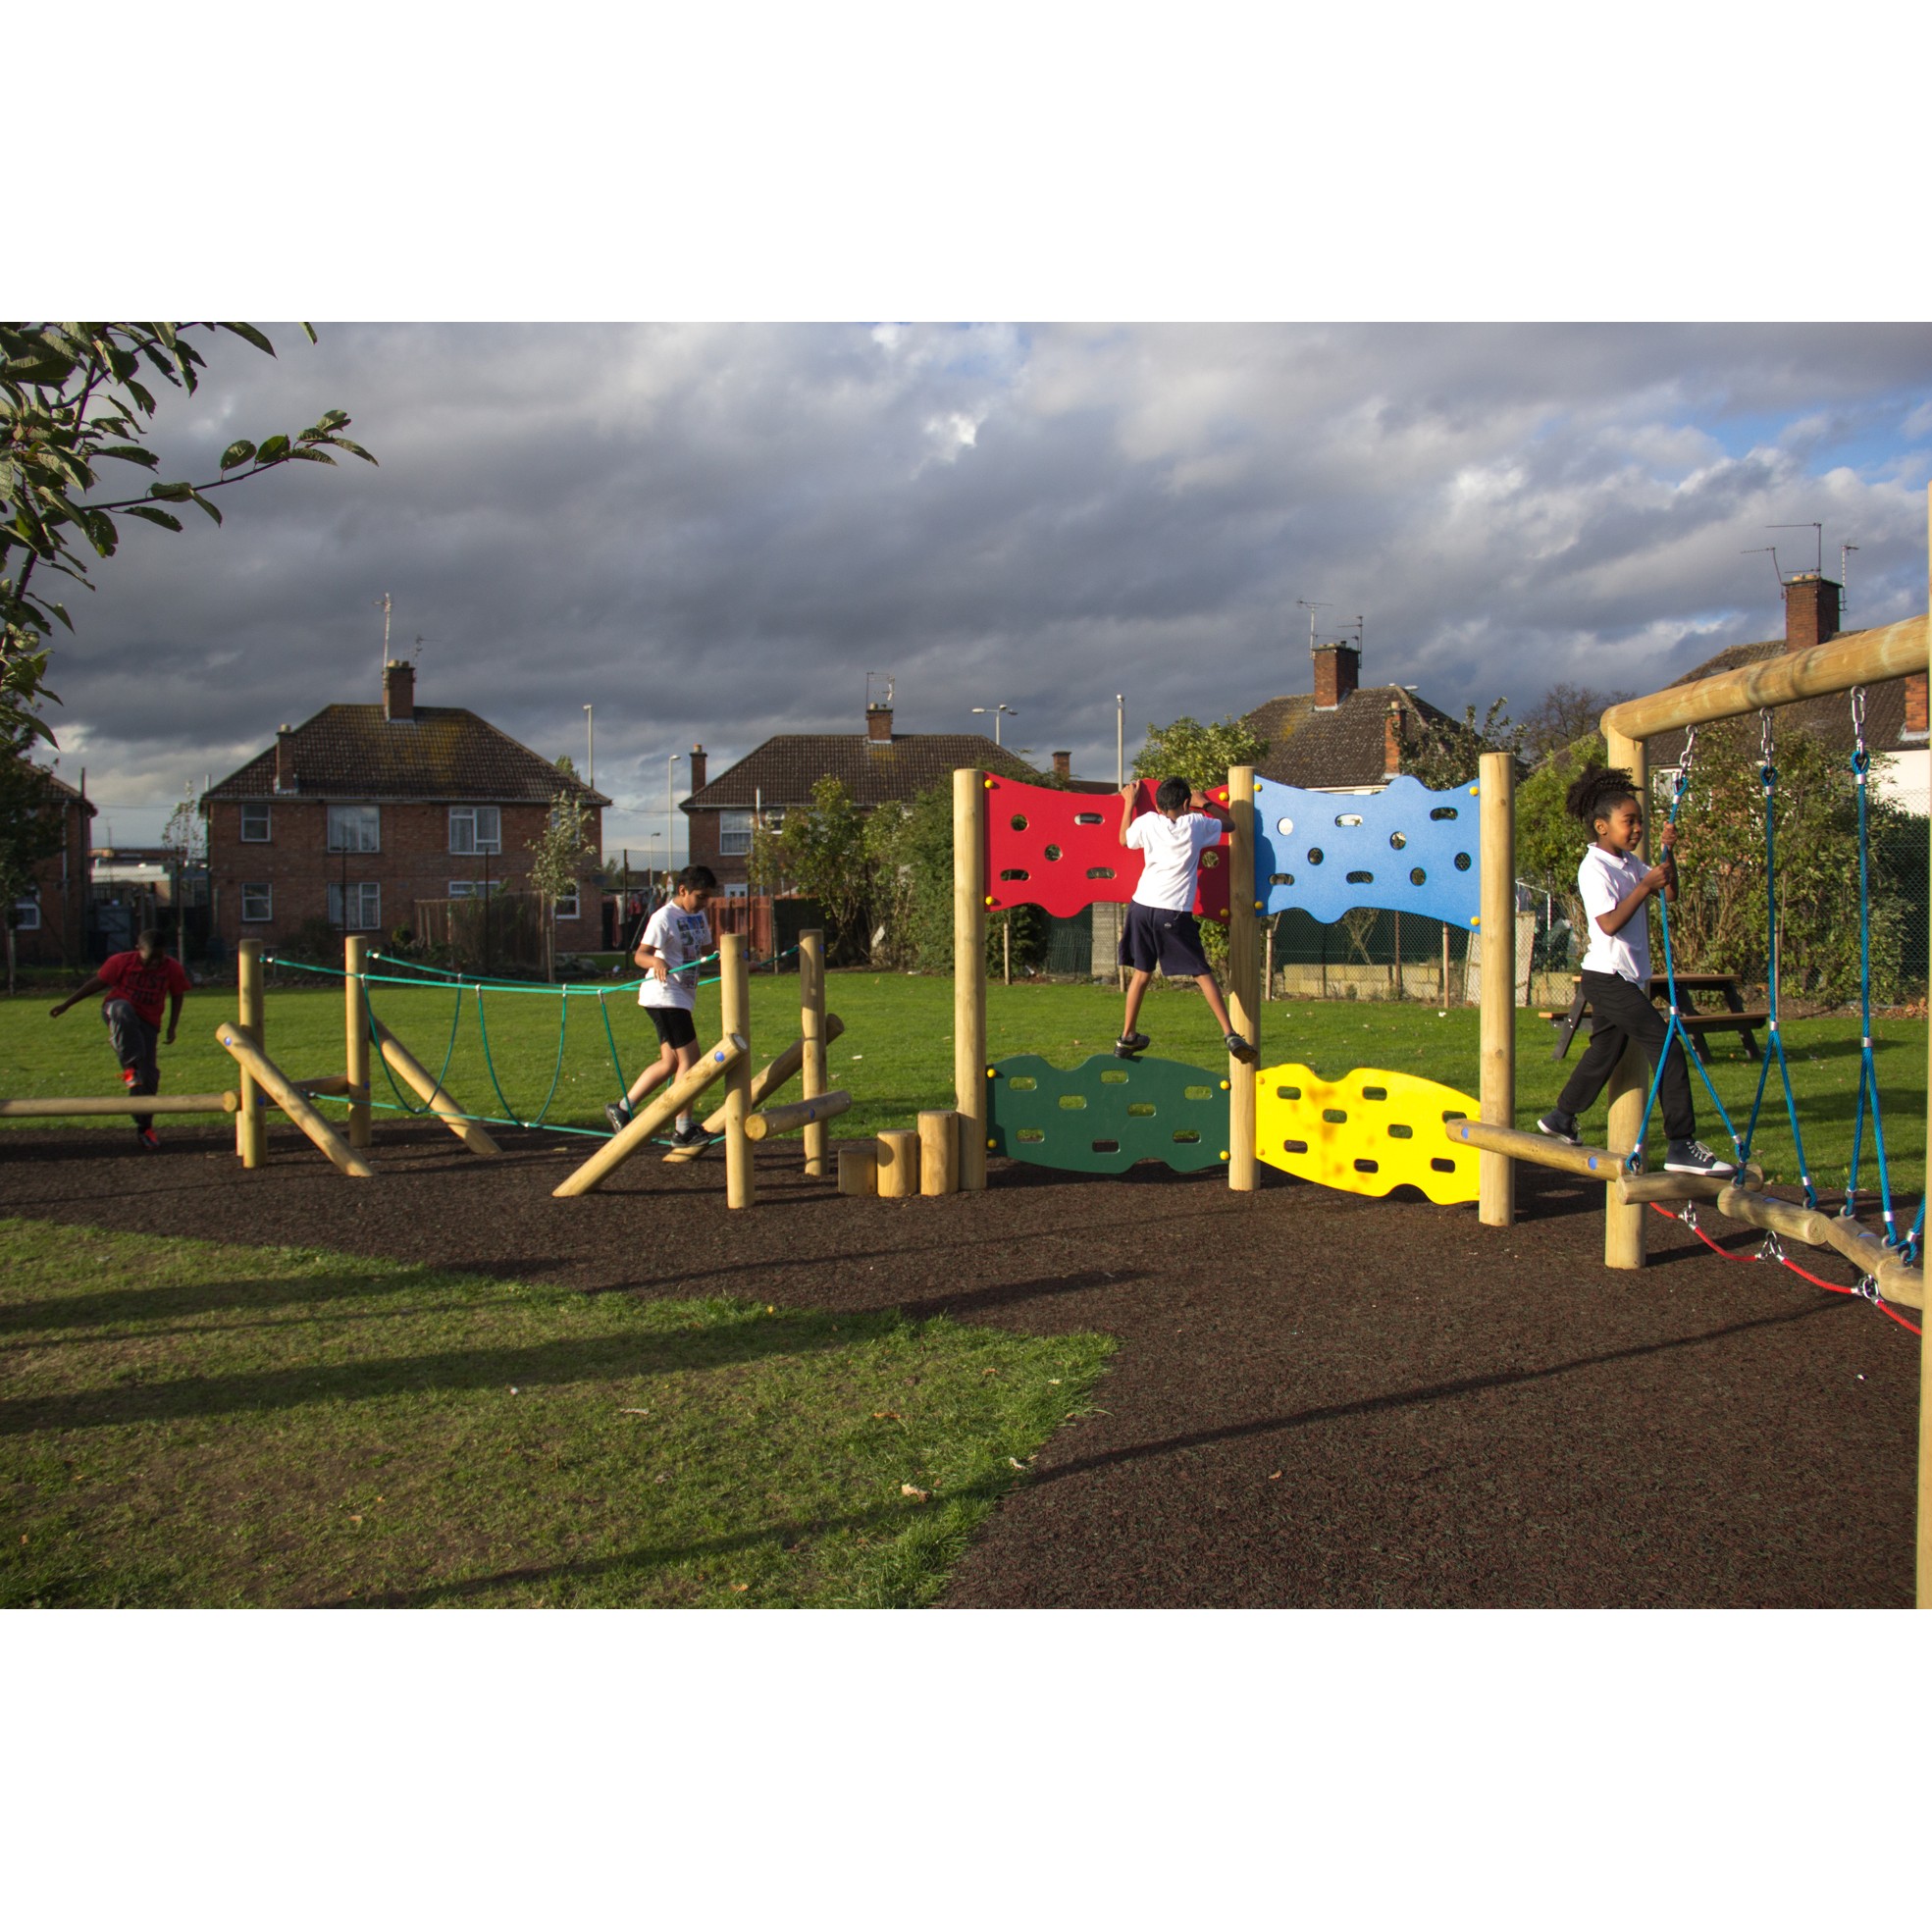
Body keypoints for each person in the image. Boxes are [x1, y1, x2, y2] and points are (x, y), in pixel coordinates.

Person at [1537, 764, 1734, 1176]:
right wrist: (1646, 887)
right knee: (1667, 1047)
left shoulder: (1628, 863)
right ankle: (1680, 1144)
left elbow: (1671, 893)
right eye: (1630, 822)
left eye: (1640, 822)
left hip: (1625, 977)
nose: (1638, 828)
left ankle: (1560, 1117)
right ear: (1602, 826)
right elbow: (1608, 923)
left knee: (1605, 1052)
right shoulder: (1595, 869)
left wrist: (1668, 856)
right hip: (1607, 977)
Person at [1115, 776, 1254, 1063]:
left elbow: (1123, 840)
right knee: (1201, 973)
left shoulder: (1149, 821)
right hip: (1173, 911)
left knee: (1142, 974)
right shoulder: (1196, 824)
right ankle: (1230, 1033)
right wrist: (1207, 804)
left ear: (1156, 804)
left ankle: (1127, 1036)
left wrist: (1129, 803)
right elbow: (1229, 825)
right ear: (1187, 804)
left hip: (1141, 906)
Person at [48, 927, 191, 1150]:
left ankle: (144, 1127)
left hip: (148, 1023)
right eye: (150, 958)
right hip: (115, 1012)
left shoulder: (171, 968)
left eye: (159, 957)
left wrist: (172, 1027)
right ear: (138, 950)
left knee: (149, 1077)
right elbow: (95, 984)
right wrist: (66, 1005)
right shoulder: (121, 962)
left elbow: (178, 995)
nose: (155, 963)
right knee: (123, 1011)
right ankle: (128, 1063)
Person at [605, 864, 717, 1148]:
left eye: (707, 898)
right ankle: (682, 1129)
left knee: (671, 1063)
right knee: (691, 1061)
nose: (705, 902)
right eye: (701, 896)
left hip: (680, 996)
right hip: (665, 995)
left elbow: (707, 953)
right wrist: (656, 961)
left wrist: (736, 958)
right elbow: (641, 955)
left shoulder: (699, 916)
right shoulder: (663, 917)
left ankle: (622, 1108)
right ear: (683, 890)